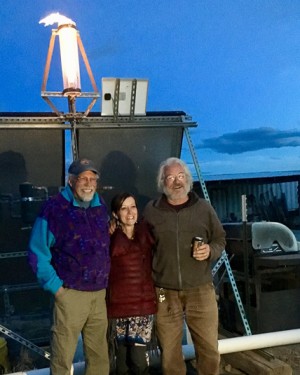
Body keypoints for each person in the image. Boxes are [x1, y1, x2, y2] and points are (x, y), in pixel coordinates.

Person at [143, 157, 226, 375]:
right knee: (169, 353)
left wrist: (210, 251)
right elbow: (140, 247)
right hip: (164, 293)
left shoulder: (204, 209)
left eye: (180, 176)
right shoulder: (151, 211)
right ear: (162, 182)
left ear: (188, 180)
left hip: (200, 290)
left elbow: (220, 239)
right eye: (170, 177)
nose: (176, 181)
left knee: (208, 350)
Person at [28, 158, 111, 375]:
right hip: (70, 295)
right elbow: (37, 253)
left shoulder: (99, 205)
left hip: (98, 294)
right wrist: (57, 289)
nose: (88, 183)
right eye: (83, 178)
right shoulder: (54, 209)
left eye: (92, 178)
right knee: (63, 358)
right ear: (71, 181)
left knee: (99, 357)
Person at [107, 192, 157, 375]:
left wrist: (161, 298)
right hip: (117, 308)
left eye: (133, 206)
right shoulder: (108, 238)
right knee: (121, 363)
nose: (130, 212)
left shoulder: (149, 234)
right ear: (115, 214)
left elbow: (159, 269)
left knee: (138, 361)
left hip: (143, 308)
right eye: (124, 208)